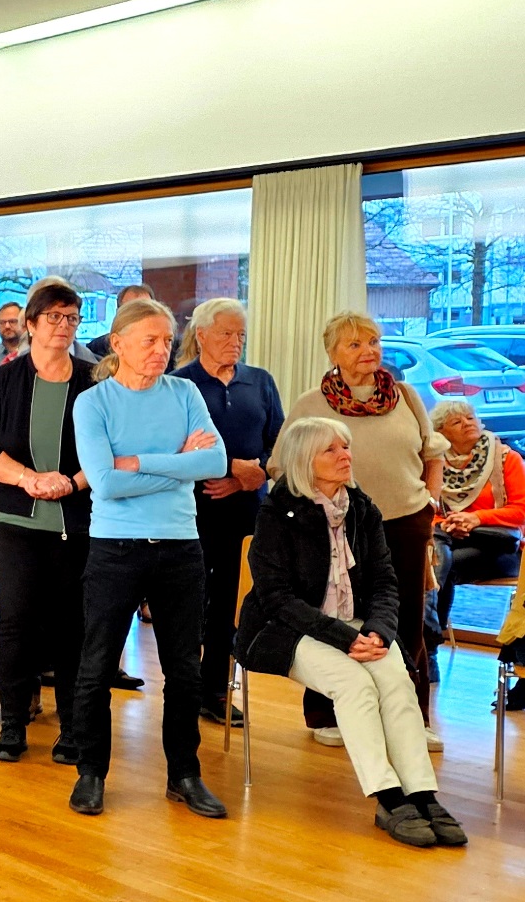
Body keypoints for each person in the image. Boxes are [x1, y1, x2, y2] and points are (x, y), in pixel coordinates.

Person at [236, 418, 463, 848]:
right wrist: (343, 638)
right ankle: (388, 797)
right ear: (305, 459)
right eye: (332, 449)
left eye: (346, 446)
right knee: (354, 684)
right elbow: (276, 597)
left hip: (356, 626)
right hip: (287, 628)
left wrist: (378, 631)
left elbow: (384, 582)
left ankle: (422, 793)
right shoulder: (277, 512)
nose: (346, 455)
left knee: (397, 679)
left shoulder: (361, 508)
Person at [66, 298, 229, 819]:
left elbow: (216, 462)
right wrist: (179, 463)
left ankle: (184, 774)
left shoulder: (185, 392)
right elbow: (106, 484)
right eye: (149, 341)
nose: (162, 350)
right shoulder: (93, 402)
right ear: (117, 344)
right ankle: (91, 772)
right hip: (115, 548)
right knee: (96, 666)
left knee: (184, 671)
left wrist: (140, 462)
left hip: (180, 545)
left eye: (167, 341)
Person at [283, 311, 444, 748]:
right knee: (336, 616)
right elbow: (284, 465)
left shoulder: (406, 396)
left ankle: (412, 717)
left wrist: (430, 500)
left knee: (408, 620)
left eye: (372, 342)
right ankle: (327, 713)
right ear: (332, 353)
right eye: (354, 344)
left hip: (405, 522)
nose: (368, 351)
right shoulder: (311, 404)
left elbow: (433, 453)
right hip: (339, 526)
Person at [0, 281, 96, 762]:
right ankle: (12, 724)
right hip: (17, 519)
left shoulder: (93, 380)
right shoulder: (5, 378)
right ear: (31, 324)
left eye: (71, 318)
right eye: (54, 317)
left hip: (75, 519)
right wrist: (28, 479)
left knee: (70, 626)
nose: (64, 326)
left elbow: (108, 449)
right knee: (15, 623)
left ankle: (72, 728)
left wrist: (71, 483)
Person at [171, 298, 282, 726]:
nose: (236, 342)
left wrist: (247, 476)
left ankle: (215, 689)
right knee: (189, 602)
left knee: (229, 604)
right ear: (201, 335)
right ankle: (183, 688)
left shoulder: (260, 382)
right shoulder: (179, 384)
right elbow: (171, 448)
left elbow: (279, 444)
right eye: (226, 333)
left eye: (241, 335)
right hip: (192, 511)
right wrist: (228, 467)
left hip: (246, 511)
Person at [429, 398, 525, 636]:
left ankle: (428, 639)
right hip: (451, 538)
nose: (466, 423)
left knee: (442, 565)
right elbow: (426, 509)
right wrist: (450, 523)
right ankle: (428, 637)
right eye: (456, 422)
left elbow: (521, 510)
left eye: (470, 418)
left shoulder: (506, 459)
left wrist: (476, 519)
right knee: (433, 557)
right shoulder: (434, 464)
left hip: (502, 547)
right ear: (441, 433)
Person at [87, 284, 154, 359]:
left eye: (144, 309)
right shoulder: (96, 349)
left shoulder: (162, 348)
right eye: (131, 309)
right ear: (119, 313)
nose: (137, 315)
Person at [0, 301, 26, 367]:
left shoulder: (34, 352)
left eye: (12, 321)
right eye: (2, 322)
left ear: (24, 324)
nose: (7, 326)